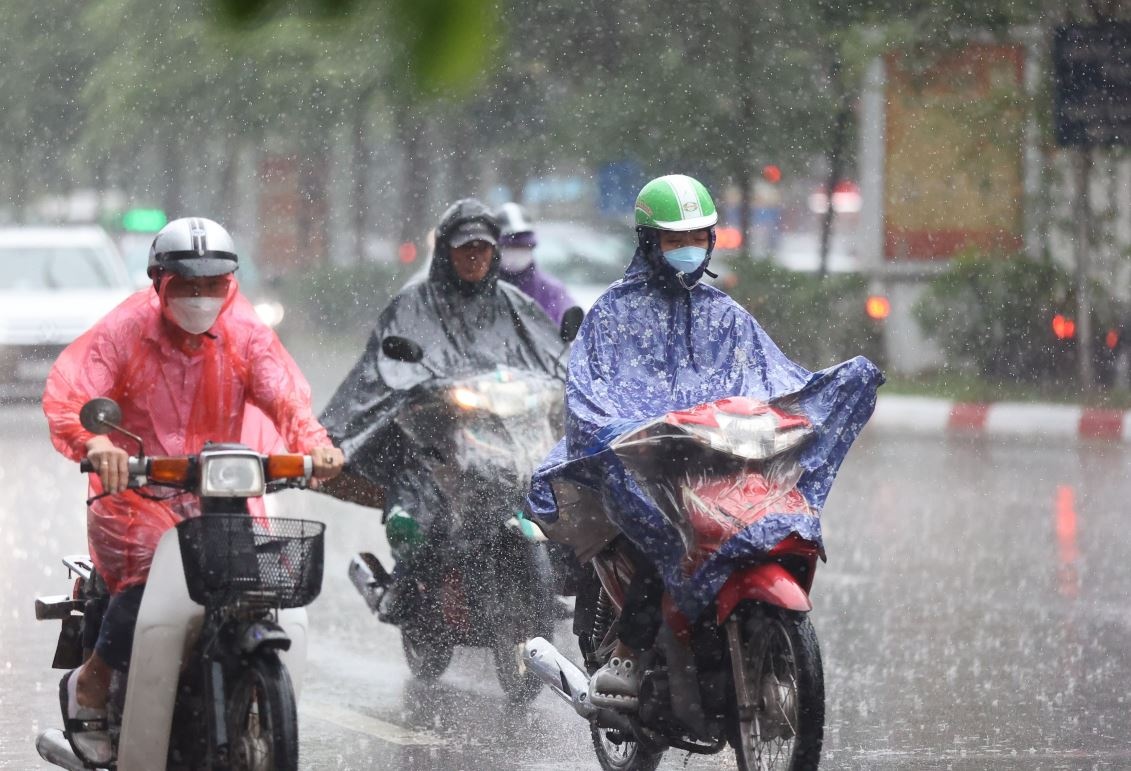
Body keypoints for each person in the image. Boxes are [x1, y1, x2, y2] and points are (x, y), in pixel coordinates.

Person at [526, 174, 882, 709]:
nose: (688, 248)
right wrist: (623, 432)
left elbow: (773, 380)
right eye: (675, 239)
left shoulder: (727, 316)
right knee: (669, 531)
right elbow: (589, 397)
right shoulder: (612, 315)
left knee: (769, 519)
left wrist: (818, 400)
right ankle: (629, 649)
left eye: (697, 237)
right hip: (643, 462)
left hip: (715, 458)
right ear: (650, 242)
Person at [42, 217, 345, 763]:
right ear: (160, 282)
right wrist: (98, 444)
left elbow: (285, 398)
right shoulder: (125, 331)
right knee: (145, 581)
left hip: (219, 491)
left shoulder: (245, 335)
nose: (201, 296)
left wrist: (316, 445)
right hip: (136, 494)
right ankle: (92, 683)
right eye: (187, 284)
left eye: (213, 284)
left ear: (231, 283)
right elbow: (73, 397)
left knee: (253, 578)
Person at [318, 198, 563, 618]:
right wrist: (427, 389)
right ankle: (405, 581)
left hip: (504, 437)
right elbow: (386, 370)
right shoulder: (413, 303)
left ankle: (543, 581)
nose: (474, 257)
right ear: (447, 251)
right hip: (436, 440)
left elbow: (550, 357)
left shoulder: (513, 303)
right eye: (465, 248)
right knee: (417, 498)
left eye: (483, 248)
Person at [494, 202, 576, 325]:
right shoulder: (480, 290)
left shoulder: (552, 292)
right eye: (509, 247)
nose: (516, 254)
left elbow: (576, 329)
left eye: (523, 247)